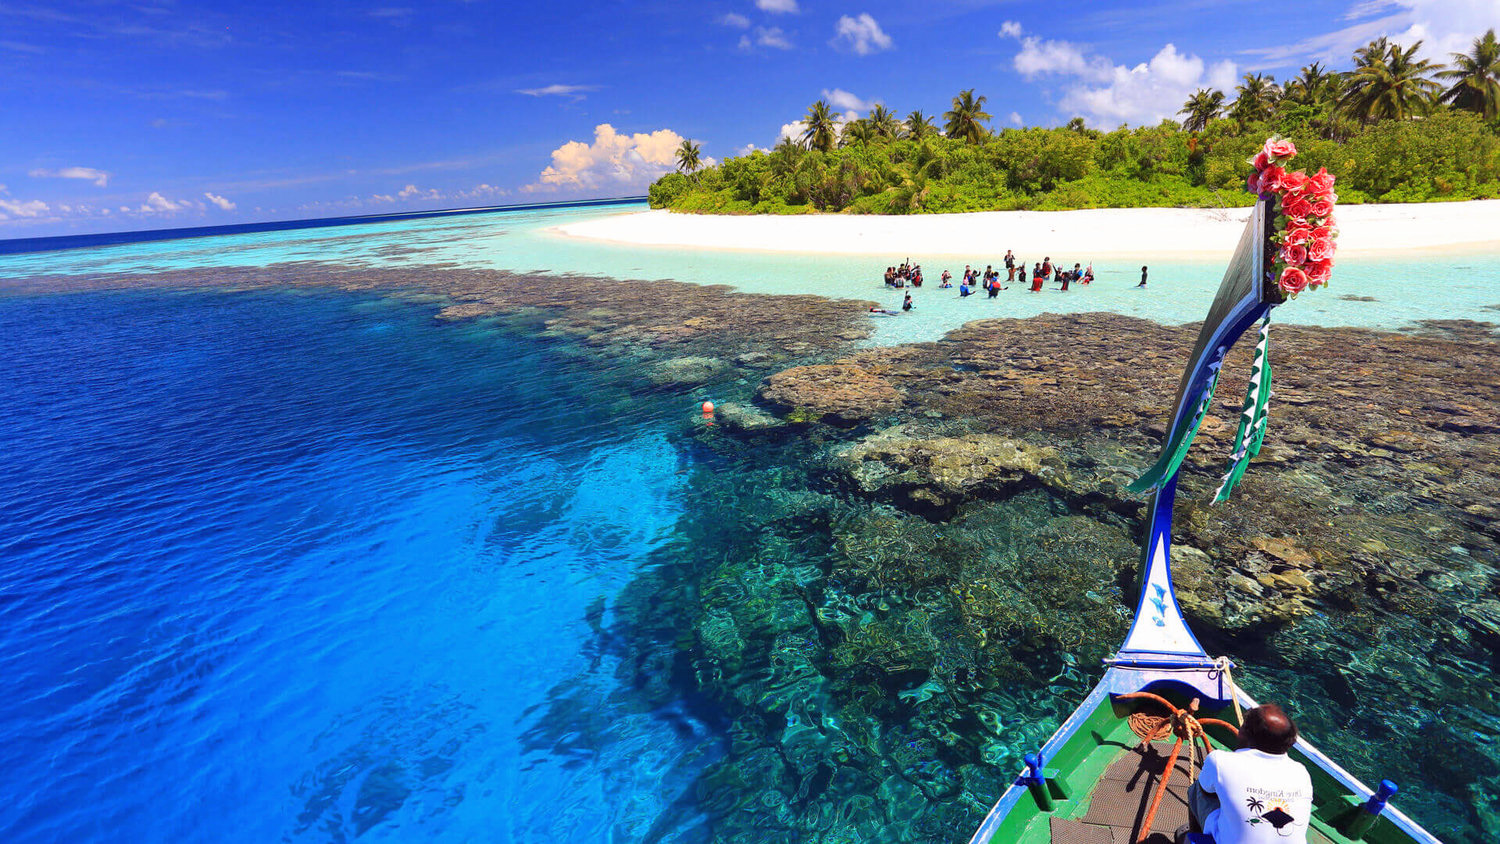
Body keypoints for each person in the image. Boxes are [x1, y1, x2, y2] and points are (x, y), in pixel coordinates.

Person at [1184, 704, 1313, 844]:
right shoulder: (1301, 772)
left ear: (1243, 732)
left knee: (1197, 789)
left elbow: (1205, 789)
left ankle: (1193, 839)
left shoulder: (1220, 761)